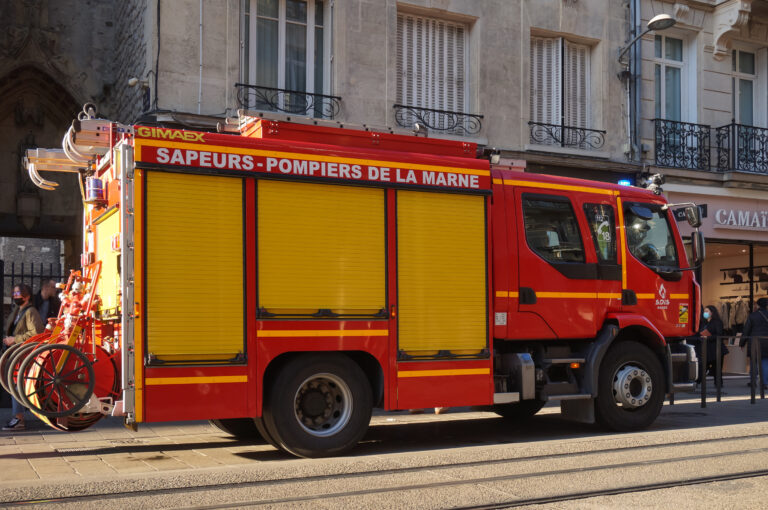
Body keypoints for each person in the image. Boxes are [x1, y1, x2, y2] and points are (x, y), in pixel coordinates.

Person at [2, 283, 44, 431]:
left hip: (24, 354)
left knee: (17, 385)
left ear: (27, 296)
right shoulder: (17, 310)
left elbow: (37, 334)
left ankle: (19, 418)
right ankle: (19, 416)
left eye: (18, 293)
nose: (15, 296)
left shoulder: (30, 311)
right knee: (16, 384)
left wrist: (15, 339)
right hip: (16, 354)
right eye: (14, 294)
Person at [741, 297, 768, 390]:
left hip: (754, 342)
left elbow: (746, 330)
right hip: (766, 342)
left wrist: (742, 343)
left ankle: (753, 382)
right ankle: (765, 383)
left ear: (758, 305)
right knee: (765, 362)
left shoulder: (752, 316)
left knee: (754, 362)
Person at [699, 305, 728, 387]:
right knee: (704, 366)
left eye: (707, 311)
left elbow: (719, 334)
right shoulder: (704, 323)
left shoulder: (717, 322)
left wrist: (708, 337)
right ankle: (699, 381)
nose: (705, 313)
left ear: (712, 312)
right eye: (704, 311)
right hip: (707, 348)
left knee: (717, 367)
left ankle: (718, 384)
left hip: (716, 348)